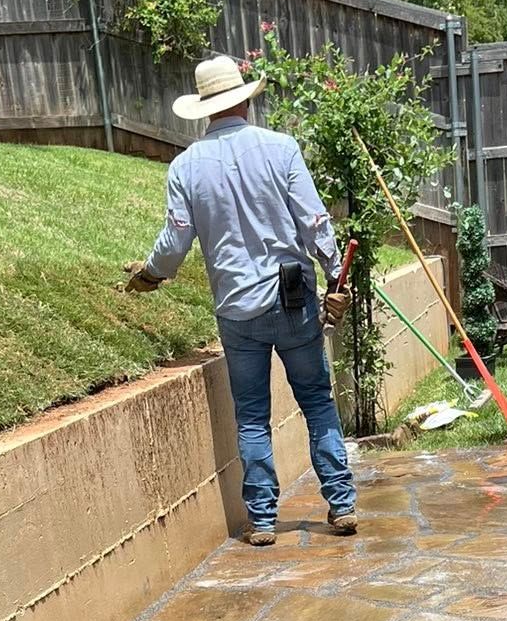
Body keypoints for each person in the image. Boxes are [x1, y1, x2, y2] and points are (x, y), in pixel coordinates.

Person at [126, 53, 355, 546]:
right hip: (292, 301)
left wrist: (151, 274)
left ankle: (264, 520)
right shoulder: (281, 149)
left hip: (235, 308)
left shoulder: (186, 167)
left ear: (205, 109)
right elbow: (315, 222)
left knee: (252, 416)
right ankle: (341, 504)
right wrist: (337, 275)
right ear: (246, 101)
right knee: (317, 402)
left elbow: (177, 237)